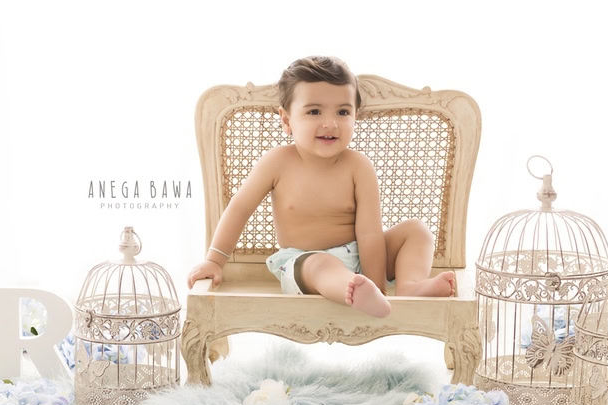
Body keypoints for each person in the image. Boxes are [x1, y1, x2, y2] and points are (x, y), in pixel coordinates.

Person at [186, 56, 455, 318]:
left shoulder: (359, 166)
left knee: (416, 230)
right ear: (286, 120)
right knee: (321, 264)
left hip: (358, 256)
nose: (330, 123)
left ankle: (409, 287)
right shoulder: (277, 162)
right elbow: (239, 209)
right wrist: (214, 260)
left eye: (343, 112)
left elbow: (370, 233)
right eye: (314, 111)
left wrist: (378, 284)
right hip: (303, 262)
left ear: (355, 116)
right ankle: (352, 289)